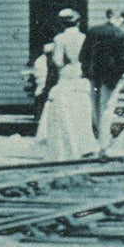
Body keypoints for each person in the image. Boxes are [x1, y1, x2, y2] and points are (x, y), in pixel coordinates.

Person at [36, 9, 96, 160]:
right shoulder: (84, 37)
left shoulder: (60, 38)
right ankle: (85, 146)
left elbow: (58, 62)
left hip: (66, 75)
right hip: (80, 75)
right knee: (81, 111)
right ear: (79, 22)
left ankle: (68, 146)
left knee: (65, 111)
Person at [80, 10, 124, 152]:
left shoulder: (93, 31)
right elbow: (121, 59)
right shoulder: (119, 34)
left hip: (92, 75)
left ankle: (93, 139)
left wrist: (87, 71)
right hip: (110, 78)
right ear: (118, 19)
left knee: (93, 107)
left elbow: (83, 54)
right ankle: (104, 141)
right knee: (107, 108)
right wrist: (122, 74)